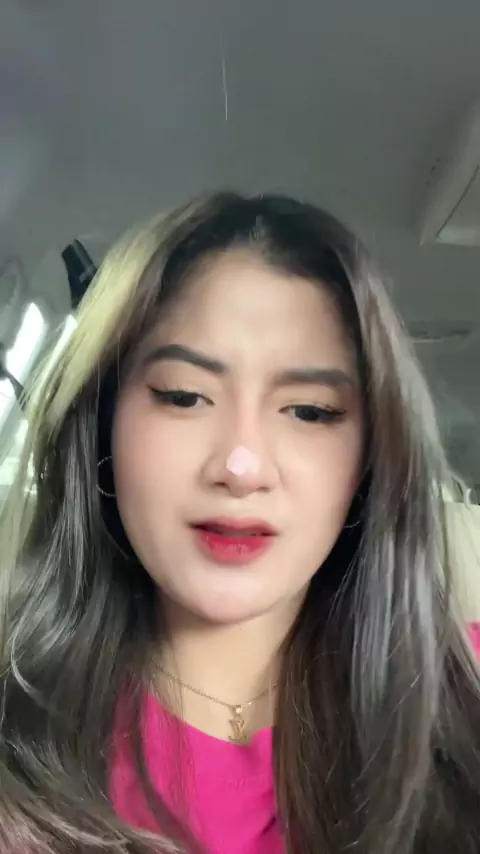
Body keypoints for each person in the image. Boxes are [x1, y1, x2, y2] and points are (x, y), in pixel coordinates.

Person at [1, 192, 480, 854]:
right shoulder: (18, 741)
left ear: (372, 458)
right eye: (183, 396)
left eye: (310, 411)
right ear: (102, 424)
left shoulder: (465, 687)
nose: (242, 466)